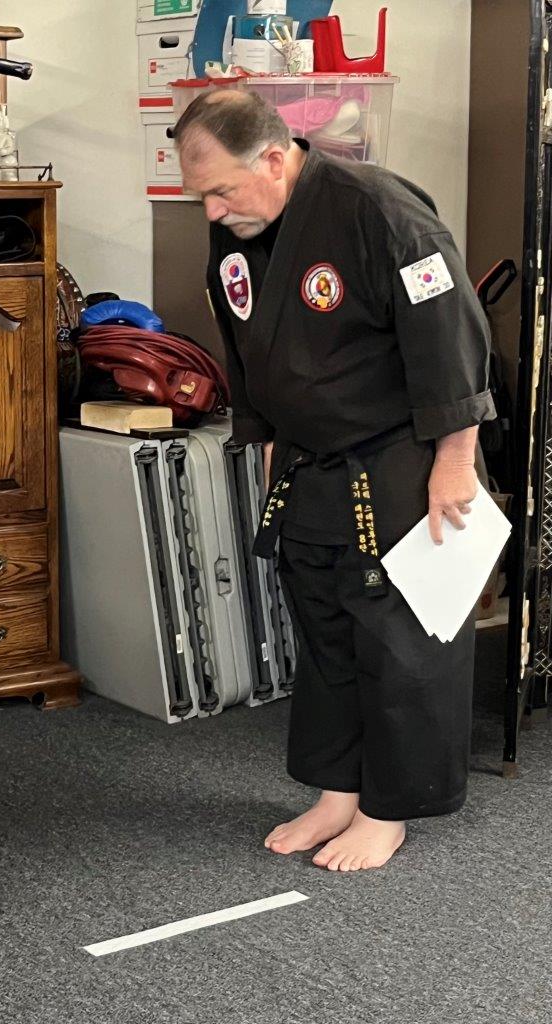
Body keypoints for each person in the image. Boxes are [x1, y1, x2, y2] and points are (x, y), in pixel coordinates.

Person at [174, 91, 495, 871]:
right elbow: (245, 344)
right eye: (201, 195)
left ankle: (388, 810)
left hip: (404, 457)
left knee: (401, 637)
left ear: (274, 158)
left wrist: (456, 461)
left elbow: (451, 336)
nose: (212, 211)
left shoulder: (381, 212)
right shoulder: (240, 226)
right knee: (322, 625)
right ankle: (338, 792)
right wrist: (265, 443)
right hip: (310, 460)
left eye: (222, 190)